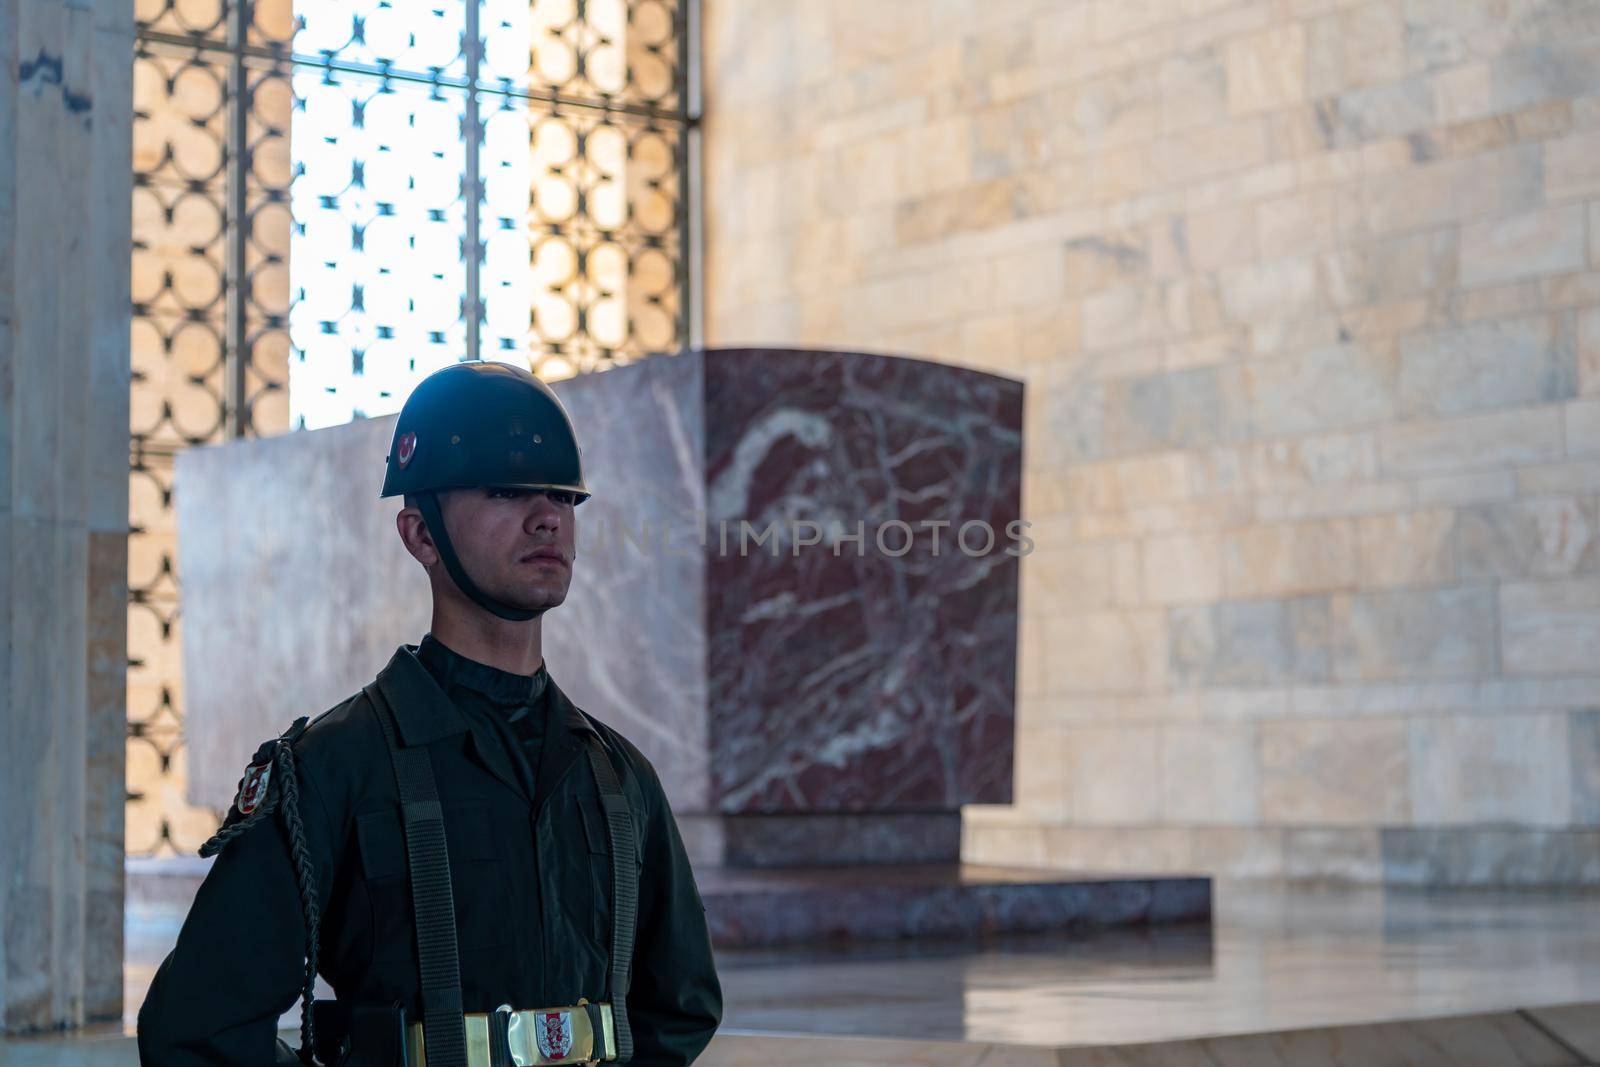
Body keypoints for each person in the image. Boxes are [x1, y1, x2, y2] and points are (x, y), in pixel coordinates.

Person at [137, 360, 723, 1066]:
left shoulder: (620, 777)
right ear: (419, 535)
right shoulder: (330, 768)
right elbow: (198, 1031)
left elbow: (679, 1008)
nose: (547, 516)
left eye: (564, 496)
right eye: (506, 490)